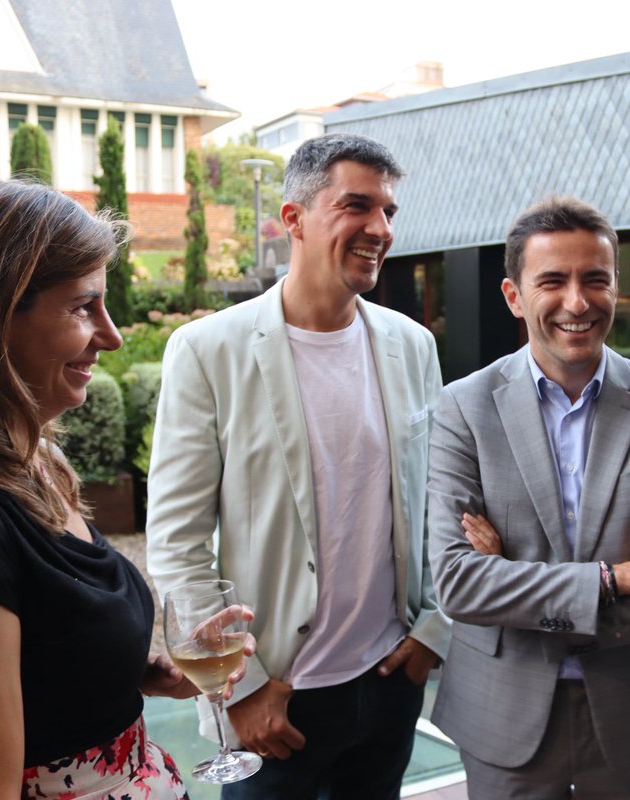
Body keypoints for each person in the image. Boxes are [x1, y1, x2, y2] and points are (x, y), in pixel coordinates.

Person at [0, 180, 235, 800]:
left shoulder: (37, 463)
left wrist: (131, 671)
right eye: (83, 307)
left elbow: (41, 655)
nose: (112, 336)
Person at [146, 133, 450, 800]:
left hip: (390, 681)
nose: (380, 229)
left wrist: (436, 629)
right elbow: (175, 543)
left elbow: (439, 503)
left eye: (389, 211)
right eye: (356, 206)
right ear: (294, 218)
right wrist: (240, 690)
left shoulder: (413, 345)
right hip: (275, 700)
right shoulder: (206, 350)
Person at [427, 196, 630, 799]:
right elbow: (457, 583)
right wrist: (618, 580)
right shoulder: (463, 408)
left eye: (595, 280)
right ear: (514, 296)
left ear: (616, 287)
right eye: (553, 281)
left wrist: (513, 586)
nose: (578, 302)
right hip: (504, 719)